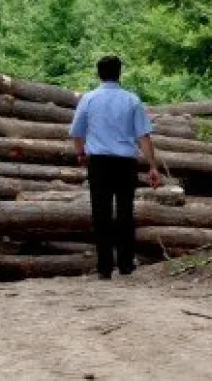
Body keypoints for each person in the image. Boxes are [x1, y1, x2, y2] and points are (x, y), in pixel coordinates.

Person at [68, 55, 162, 278]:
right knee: (125, 213)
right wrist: (152, 166)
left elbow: (77, 132)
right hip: (125, 163)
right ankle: (126, 263)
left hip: (98, 162)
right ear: (120, 73)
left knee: (100, 214)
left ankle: (104, 268)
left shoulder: (89, 99)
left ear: (98, 73)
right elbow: (143, 137)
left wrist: (81, 153)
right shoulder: (132, 100)